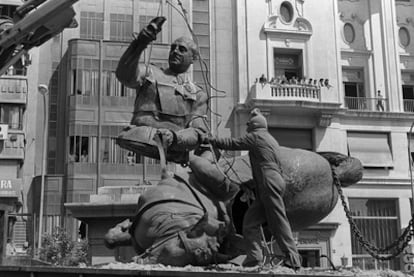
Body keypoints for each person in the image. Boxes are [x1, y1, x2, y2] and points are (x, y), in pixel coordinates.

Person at [207, 108, 301, 269]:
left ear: (255, 125)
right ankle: (254, 258)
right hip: (269, 182)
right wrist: (251, 184)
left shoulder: (257, 136)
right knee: (250, 222)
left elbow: (233, 143)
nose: (247, 126)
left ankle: (293, 259)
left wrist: (213, 141)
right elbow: (266, 165)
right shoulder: (270, 139)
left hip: (268, 183)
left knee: (278, 221)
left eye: (248, 124)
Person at [115, 16, 209, 164]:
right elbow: (124, 75)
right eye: (173, 48)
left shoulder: (197, 93)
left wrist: (175, 138)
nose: (175, 51)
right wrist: (140, 43)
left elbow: (198, 132)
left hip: (174, 147)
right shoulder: (149, 72)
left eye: (182, 49)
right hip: (139, 136)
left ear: (193, 58)